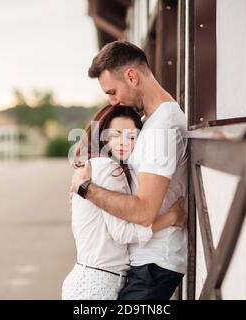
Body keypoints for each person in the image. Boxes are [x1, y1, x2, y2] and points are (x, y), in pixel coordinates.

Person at [70, 41, 189, 300]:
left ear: (132, 77)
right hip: (144, 261)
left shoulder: (162, 129)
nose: (114, 101)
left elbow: (144, 211)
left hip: (155, 264)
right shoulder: (151, 123)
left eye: (112, 92)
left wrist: (86, 189)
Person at [62, 104, 185, 300]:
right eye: (115, 135)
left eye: (132, 136)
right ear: (102, 136)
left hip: (88, 278)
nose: (123, 143)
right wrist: (171, 218)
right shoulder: (110, 169)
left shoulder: (94, 167)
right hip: (97, 284)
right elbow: (123, 233)